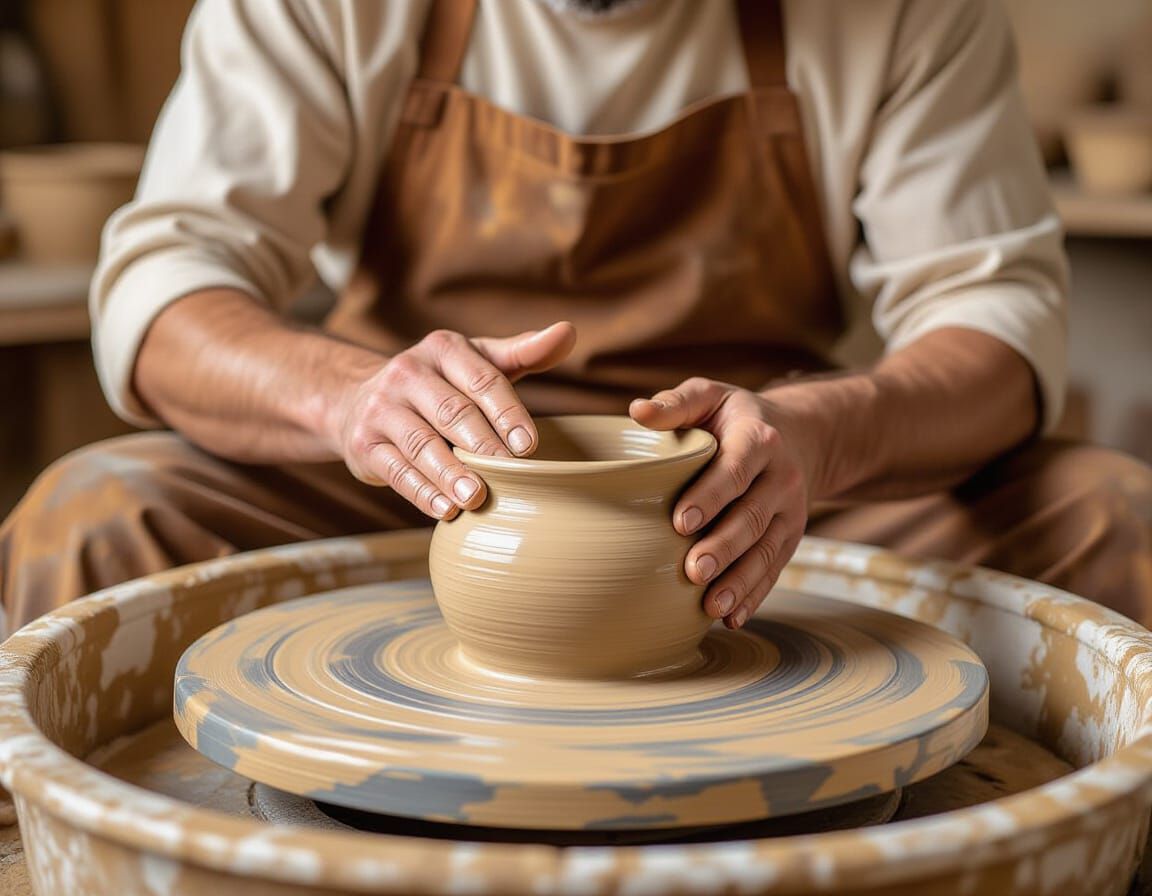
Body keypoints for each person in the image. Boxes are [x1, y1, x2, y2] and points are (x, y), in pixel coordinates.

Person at [2, 0, 1150, 635]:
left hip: (760, 495)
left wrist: (825, 435)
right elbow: (164, 286)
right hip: (414, 481)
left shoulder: (902, 9)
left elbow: (996, 318)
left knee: (1114, 522)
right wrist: (349, 397)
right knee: (93, 520)